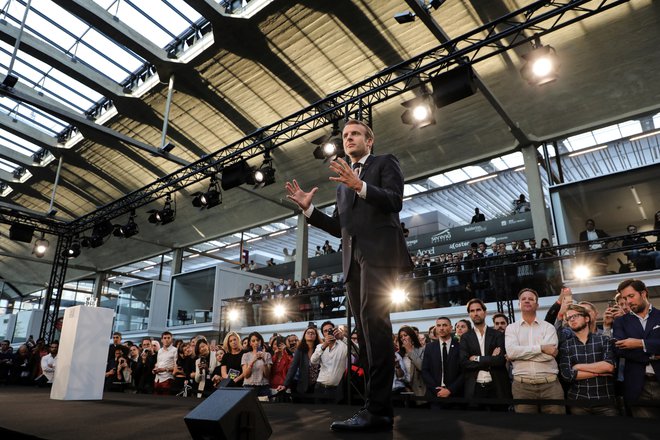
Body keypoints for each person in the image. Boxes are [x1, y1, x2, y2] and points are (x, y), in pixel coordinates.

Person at [285, 119, 412, 432]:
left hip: (381, 255)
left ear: (370, 141)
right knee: (366, 336)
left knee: (376, 326)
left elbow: (395, 200)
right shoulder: (342, 185)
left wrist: (361, 186)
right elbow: (339, 228)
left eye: (355, 133)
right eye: (344, 135)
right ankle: (375, 409)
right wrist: (310, 212)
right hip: (353, 264)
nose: (348, 138)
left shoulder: (385, 163)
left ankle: (379, 410)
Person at [505, 288, 564, 414]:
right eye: (524, 299)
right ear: (519, 304)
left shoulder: (549, 327)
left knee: (559, 424)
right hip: (522, 387)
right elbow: (511, 353)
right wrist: (541, 348)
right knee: (528, 429)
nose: (527, 301)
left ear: (537, 304)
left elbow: (549, 356)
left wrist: (520, 354)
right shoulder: (511, 328)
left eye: (531, 299)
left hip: (550, 386)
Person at [612, 279, 660, 418]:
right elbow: (620, 349)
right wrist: (653, 355)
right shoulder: (620, 321)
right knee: (645, 432)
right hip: (638, 385)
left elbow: (632, 347)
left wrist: (639, 343)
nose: (628, 302)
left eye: (631, 296)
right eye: (625, 298)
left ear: (643, 293)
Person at [559, 304, 617, 416]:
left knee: (612, 433)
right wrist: (599, 373)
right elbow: (567, 375)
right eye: (569, 318)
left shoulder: (604, 339)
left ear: (587, 318)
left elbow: (609, 366)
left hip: (605, 401)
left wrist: (578, 367)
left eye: (575, 316)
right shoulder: (566, 345)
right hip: (578, 401)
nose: (572, 319)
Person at [460, 299, 511, 410]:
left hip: (497, 386)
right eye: (472, 311)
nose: (475, 313)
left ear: (485, 312)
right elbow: (464, 363)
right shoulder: (465, 337)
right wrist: (490, 360)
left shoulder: (497, 335)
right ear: (469, 314)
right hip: (474, 388)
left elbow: (500, 361)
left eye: (478, 309)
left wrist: (477, 358)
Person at [422, 317, 463, 405]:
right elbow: (425, 370)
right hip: (435, 395)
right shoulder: (429, 347)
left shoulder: (460, 346)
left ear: (451, 328)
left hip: (455, 396)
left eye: (444, 325)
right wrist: (436, 389)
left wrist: (450, 390)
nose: (441, 328)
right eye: (438, 325)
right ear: (436, 328)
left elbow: (463, 372)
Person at [277, 325, 321, 401]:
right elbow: (292, 368)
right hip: (303, 386)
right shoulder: (300, 350)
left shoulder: (320, 349)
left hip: (318, 386)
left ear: (316, 336)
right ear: (304, 336)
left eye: (313, 333)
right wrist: (285, 385)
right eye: (308, 332)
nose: (310, 334)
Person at [241, 331, 272, 398]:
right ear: (250, 343)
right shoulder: (245, 355)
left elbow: (267, 375)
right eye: (253, 341)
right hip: (249, 386)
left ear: (261, 341)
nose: (256, 342)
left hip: (263, 386)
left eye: (257, 340)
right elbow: (246, 375)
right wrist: (253, 361)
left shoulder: (267, 355)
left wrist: (264, 361)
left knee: (266, 407)